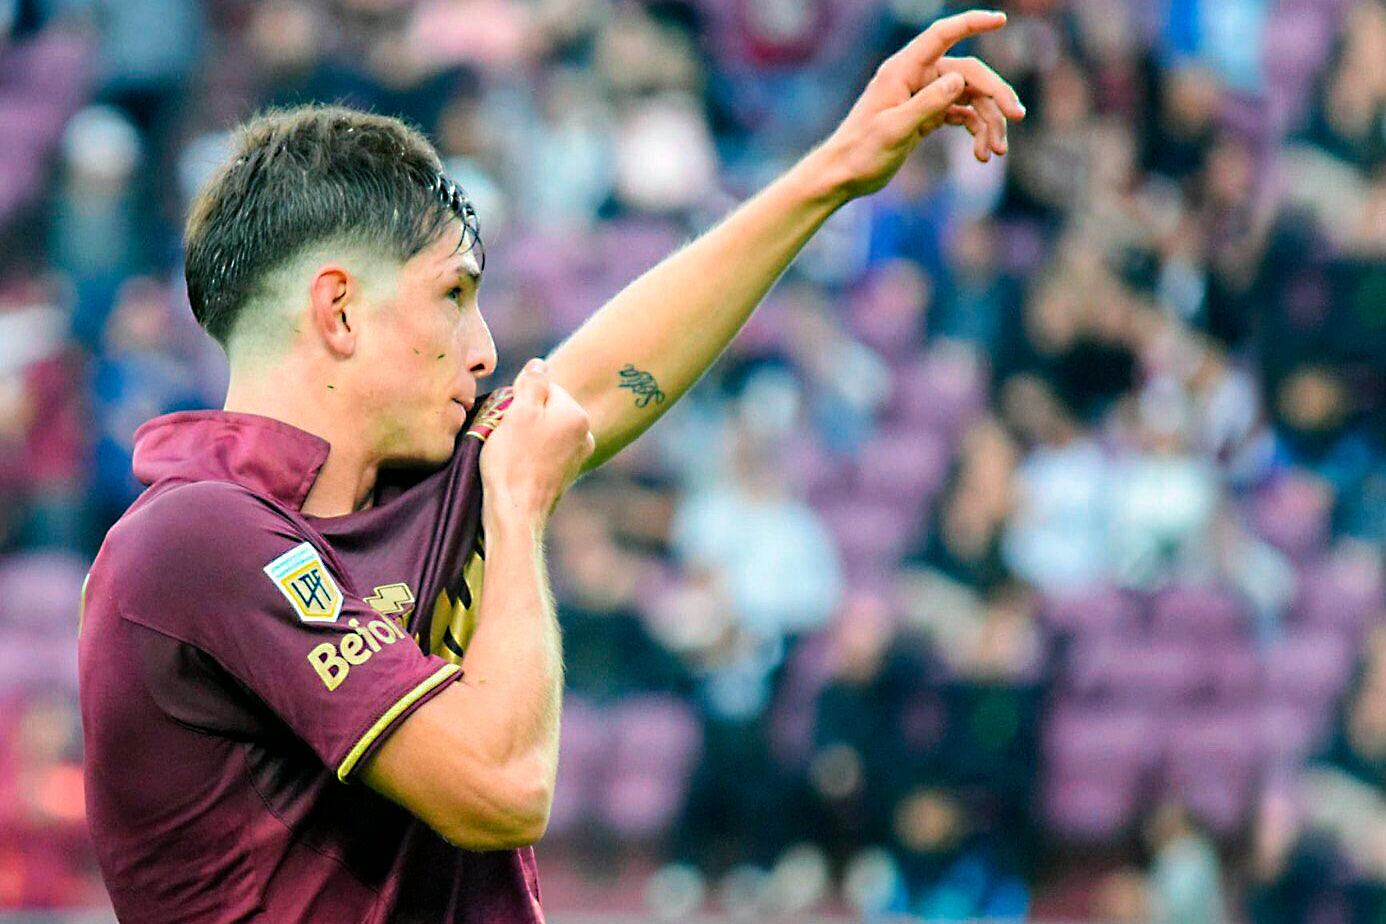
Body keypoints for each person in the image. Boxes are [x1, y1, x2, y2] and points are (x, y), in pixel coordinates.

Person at [77, 10, 1025, 922]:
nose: (484, 349)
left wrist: (834, 172)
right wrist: (519, 508)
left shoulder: (413, 483)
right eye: (452, 295)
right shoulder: (190, 540)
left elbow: (601, 381)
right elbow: (498, 789)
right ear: (339, 312)